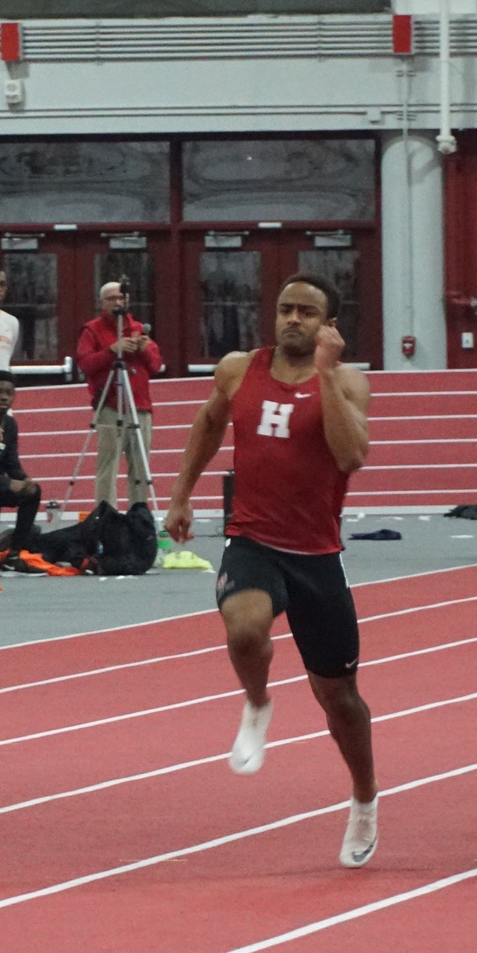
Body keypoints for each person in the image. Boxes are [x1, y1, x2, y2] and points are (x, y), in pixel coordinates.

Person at [164, 272, 381, 868]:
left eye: (306, 313)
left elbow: (351, 455)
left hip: (316, 556)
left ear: (328, 325)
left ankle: (364, 797)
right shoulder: (239, 368)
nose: (292, 320)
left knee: (341, 700)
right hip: (252, 539)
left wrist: (330, 376)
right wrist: (181, 494)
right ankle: (258, 701)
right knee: (244, 628)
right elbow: (209, 424)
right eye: (285, 309)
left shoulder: (348, 383)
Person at [77, 280, 162, 511]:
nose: (117, 303)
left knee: (140, 468)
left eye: (121, 298)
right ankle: (106, 518)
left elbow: (156, 365)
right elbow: (85, 363)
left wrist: (144, 349)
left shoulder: (136, 328)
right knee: (107, 467)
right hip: (110, 405)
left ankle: (138, 516)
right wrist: (111, 351)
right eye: (111, 299)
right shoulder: (92, 330)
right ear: (101, 303)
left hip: (140, 406)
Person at [0, 371, 45, 569]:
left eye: (9, 393)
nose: (3, 397)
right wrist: (8, 483)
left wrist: (24, 479)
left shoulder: (10, 424)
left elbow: (12, 463)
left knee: (33, 492)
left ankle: (16, 551)